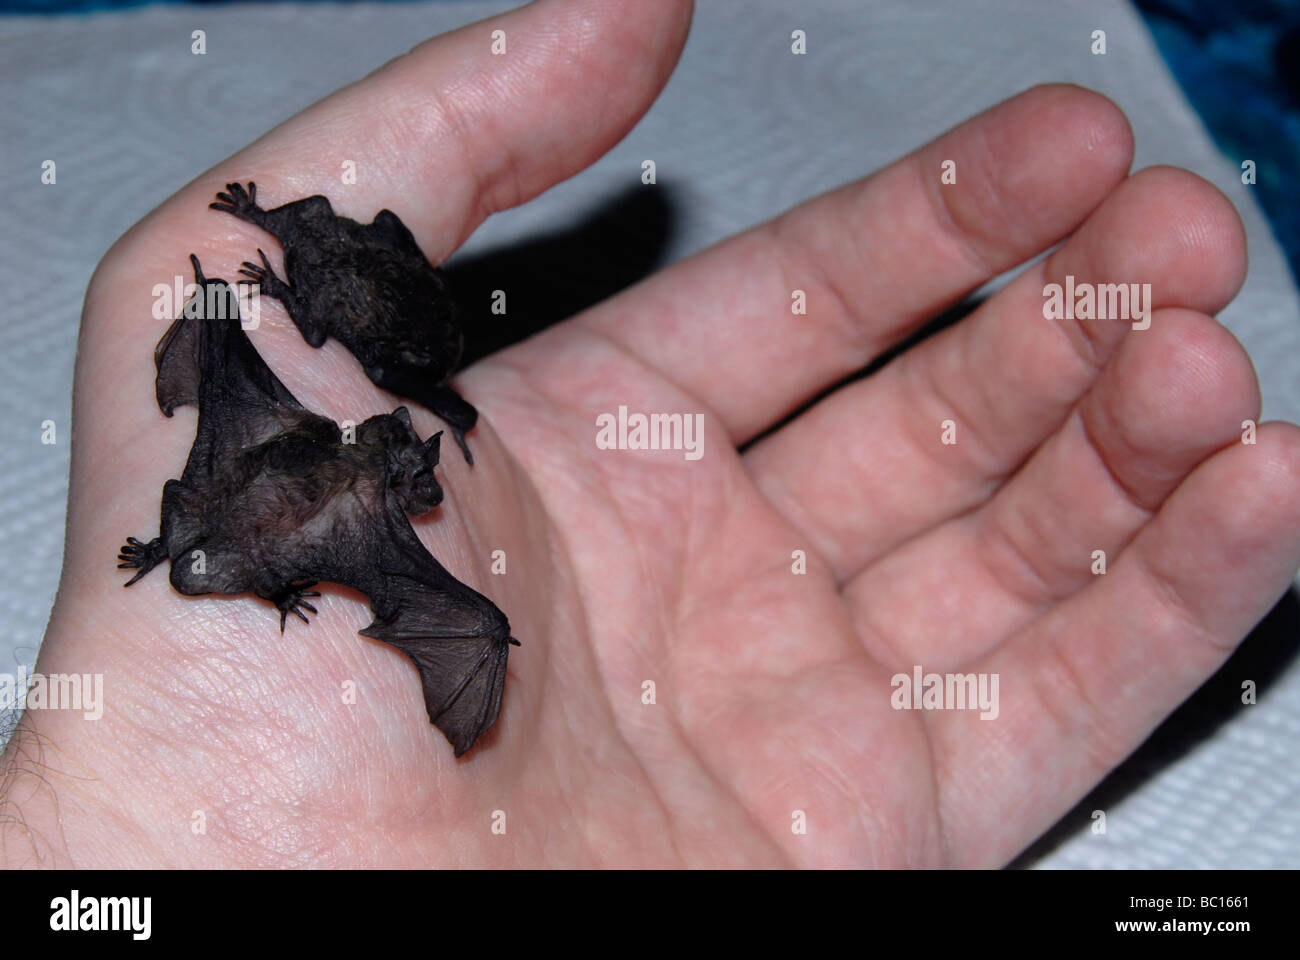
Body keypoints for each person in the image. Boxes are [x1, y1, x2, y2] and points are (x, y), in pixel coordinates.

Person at [3, 0, 1296, 868]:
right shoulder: (342, 483)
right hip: (226, 536)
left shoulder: (357, 513)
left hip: (221, 536)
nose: (419, 482)